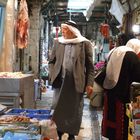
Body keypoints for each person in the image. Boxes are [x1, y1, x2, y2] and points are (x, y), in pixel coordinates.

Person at [48, 20, 94, 140]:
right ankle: (58, 131)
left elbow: (90, 67)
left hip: (76, 82)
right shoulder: (58, 42)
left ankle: (71, 134)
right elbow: (51, 61)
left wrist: (89, 84)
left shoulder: (84, 44)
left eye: (65, 29)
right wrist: (53, 74)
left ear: (73, 31)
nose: (63, 32)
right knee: (57, 106)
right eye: (62, 29)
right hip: (60, 81)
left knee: (74, 109)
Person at [101, 38, 140, 140]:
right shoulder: (132, 57)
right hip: (124, 97)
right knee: (124, 125)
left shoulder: (114, 51)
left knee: (112, 118)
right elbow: (137, 78)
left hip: (110, 93)